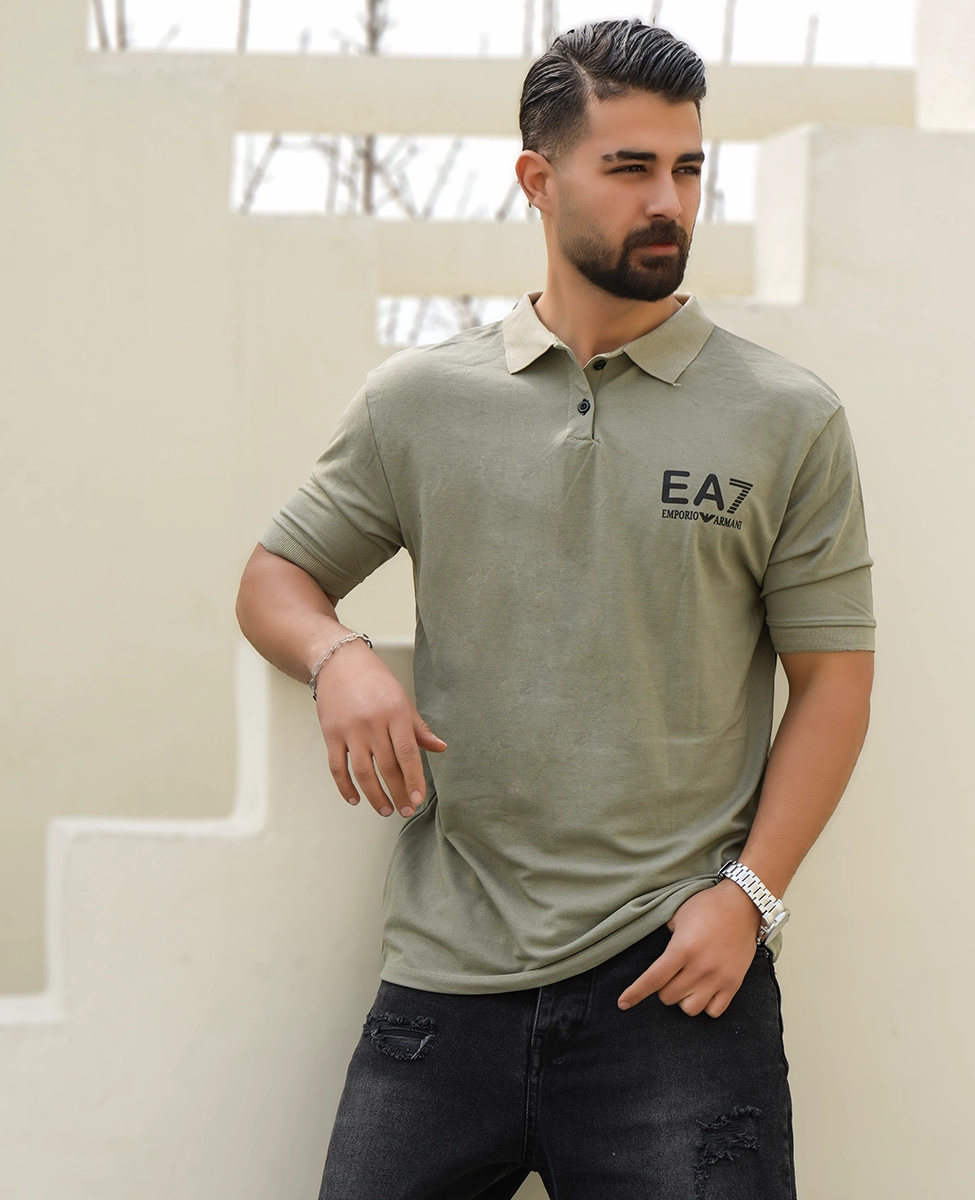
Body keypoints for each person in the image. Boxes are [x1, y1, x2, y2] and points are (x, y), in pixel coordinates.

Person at [235, 18, 874, 1200]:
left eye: (687, 168)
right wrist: (339, 657)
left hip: (677, 982)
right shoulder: (421, 401)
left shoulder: (786, 418)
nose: (668, 202)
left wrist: (750, 897)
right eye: (630, 168)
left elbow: (834, 680)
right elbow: (274, 578)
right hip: (444, 981)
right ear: (538, 179)